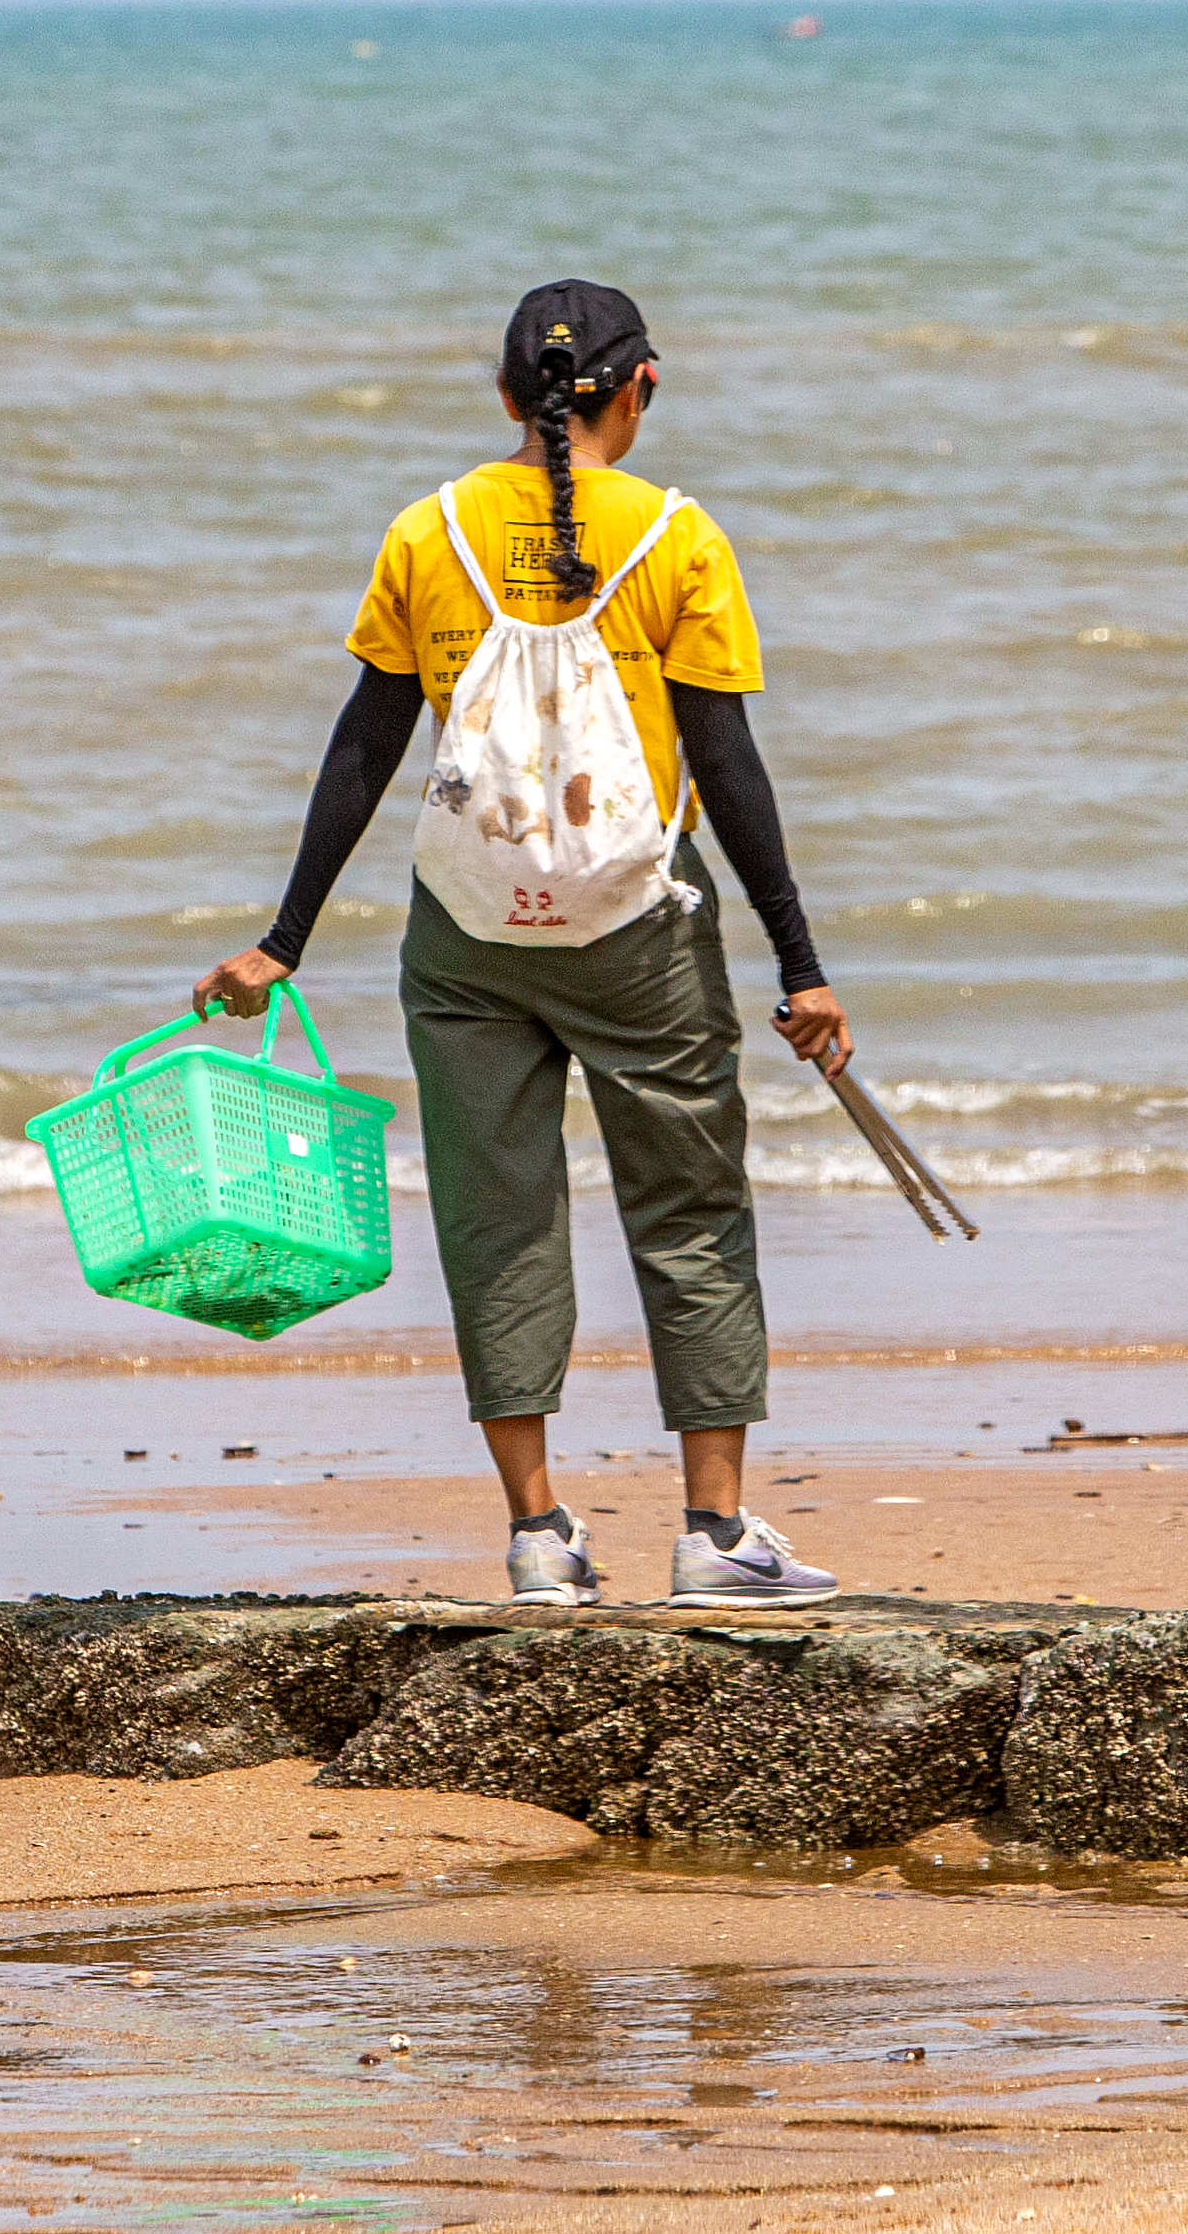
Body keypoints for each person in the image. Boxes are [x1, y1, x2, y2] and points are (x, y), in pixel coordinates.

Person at [192, 282, 854, 1607]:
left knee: (498, 1220)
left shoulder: (427, 531)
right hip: (639, 931)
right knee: (690, 1208)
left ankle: (539, 1535)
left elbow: (368, 742)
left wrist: (283, 941)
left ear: (507, 397)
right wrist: (801, 966)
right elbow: (727, 766)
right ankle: (715, 1539)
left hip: (466, 936)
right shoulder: (676, 537)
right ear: (643, 388)